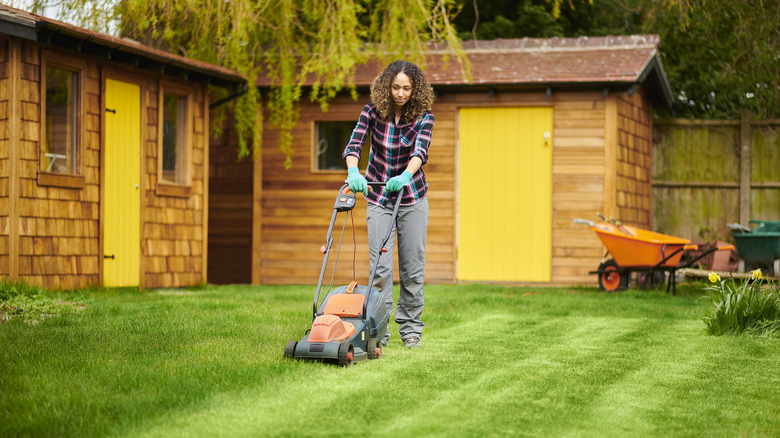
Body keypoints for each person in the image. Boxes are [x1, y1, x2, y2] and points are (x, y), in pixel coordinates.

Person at [342, 60, 434, 349]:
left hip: (412, 198)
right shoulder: (372, 111)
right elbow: (354, 145)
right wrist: (353, 171)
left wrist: (406, 174)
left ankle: (411, 331)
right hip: (380, 197)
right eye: (395, 87)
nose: (400, 93)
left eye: (407, 88)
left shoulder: (424, 116)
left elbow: (421, 150)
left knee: (412, 268)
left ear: (415, 89)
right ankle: (378, 329)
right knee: (380, 269)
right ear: (386, 86)